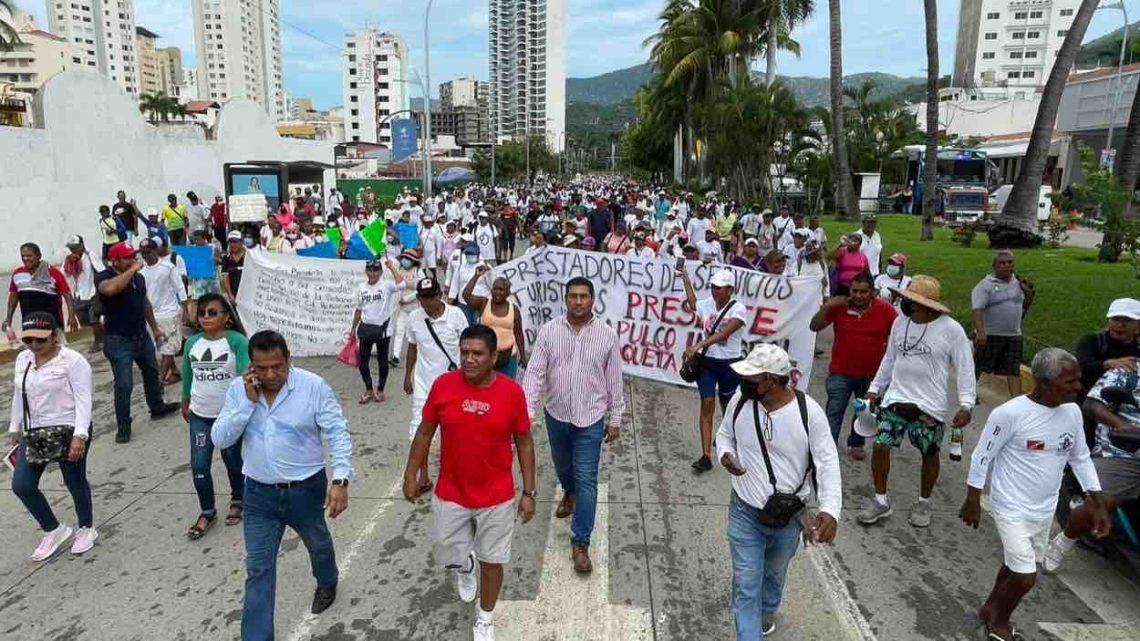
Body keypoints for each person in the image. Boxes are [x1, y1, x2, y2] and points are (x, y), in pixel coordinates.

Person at [211, 330, 353, 638]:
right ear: (251, 366)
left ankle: (327, 581)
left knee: (318, 543)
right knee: (258, 570)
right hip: (258, 494)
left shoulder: (313, 387)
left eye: (277, 367)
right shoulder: (239, 390)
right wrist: (247, 404)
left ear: (289, 360)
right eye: (262, 368)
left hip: (305, 490)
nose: (270, 375)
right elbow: (220, 438)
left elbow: (337, 432)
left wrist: (340, 480)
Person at [960, 348, 1108, 641]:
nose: (1078, 387)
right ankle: (1000, 621)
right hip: (1010, 506)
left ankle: (991, 607)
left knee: (1014, 565)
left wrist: (1098, 504)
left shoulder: (1072, 412)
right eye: (1070, 382)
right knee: (1025, 576)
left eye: (1079, 380)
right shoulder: (1009, 414)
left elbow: (1080, 458)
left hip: (1044, 509)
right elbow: (981, 457)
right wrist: (973, 499)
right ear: (1043, 382)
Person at [403, 325, 537, 641]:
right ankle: (465, 566)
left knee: (493, 561)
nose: (469, 359)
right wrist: (410, 474)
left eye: (477, 353)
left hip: (497, 497)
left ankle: (485, 618)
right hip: (451, 493)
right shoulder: (443, 385)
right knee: (447, 553)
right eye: (464, 352)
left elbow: (525, 442)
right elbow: (425, 432)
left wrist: (529, 492)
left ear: (494, 356)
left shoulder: (512, 392)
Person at [715, 344, 840, 638]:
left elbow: (827, 462)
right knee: (746, 583)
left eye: (751, 377)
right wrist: (725, 455)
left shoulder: (809, 413)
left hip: (789, 518)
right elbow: (724, 434)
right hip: (744, 511)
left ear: (769, 380)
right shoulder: (740, 401)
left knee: (773, 575)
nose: (743, 382)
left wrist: (830, 509)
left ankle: (767, 609)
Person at [523, 276, 624, 573]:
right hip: (556, 415)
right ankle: (568, 492)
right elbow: (535, 372)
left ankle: (581, 542)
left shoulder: (607, 335)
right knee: (563, 467)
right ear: (565, 299)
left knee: (587, 480)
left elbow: (614, 378)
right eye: (573, 296)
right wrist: (526, 410)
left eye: (584, 296)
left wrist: (616, 417)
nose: (578, 301)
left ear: (593, 300)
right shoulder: (549, 331)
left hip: (590, 419)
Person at [857, 276, 975, 528]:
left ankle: (924, 502)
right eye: (905, 299)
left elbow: (965, 367)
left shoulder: (952, 330)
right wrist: (874, 389)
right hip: (896, 398)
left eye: (911, 301)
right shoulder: (900, 323)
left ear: (928, 306)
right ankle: (881, 501)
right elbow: (889, 358)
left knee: (929, 452)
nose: (905, 304)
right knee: (880, 445)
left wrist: (966, 404)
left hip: (930, 405)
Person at [8, 312, 96, 561]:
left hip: (69, 429)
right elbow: (19, 395)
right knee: (22, 485)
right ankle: (54, 529)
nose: (34, 345)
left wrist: (80, 436)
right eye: (28, 340)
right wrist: (14, 427)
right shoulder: (23, 359)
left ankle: (86, 527)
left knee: (74, 481)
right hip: (35, 431)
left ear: (55, 336)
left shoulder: (73, 361)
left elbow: (84, 400)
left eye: (40, 339)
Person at [96, 241, 180, 443]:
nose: (134, 259)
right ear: (115, 261)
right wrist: (132, 269)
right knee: (124, 384)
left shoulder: (138, 278)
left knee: (151, 372)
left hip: (141, 336)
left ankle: (156, 406)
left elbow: (145, 303)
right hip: (118, 339)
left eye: (134, 256)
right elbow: (111, 289)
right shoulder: (104, 276)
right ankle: (124, 425)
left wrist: (155, 328)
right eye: (128, 257)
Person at [181, 294, 248, 539]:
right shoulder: (191, 343)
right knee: (199, 466)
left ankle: (238, 499)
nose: (206, 317)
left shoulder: (237, 341)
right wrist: (185, 400)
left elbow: (245, 375)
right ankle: (207, 512)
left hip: (228, 417)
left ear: (227, 317)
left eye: (212, 312)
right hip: (200, 415)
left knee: (233, 461)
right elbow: (188, 375)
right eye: (202, 313)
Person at [809, 272, 897, 459]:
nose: (858, 296)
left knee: (863, 411)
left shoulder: (886, 311)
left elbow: (897, 337)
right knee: (834, 410)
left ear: (873, 292)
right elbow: (814, 326)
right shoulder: (839, 308)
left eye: (863, 292)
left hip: (872, 374)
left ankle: (856, 443)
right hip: (840, 372)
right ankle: (828, 448)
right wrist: (827, 306)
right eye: (854, 291)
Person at [403, 277, 470, 495]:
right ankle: (423, 476)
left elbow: (468, 347)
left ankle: (457, 475)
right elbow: (412, 347)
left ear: (439, 295)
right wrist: (407, 375)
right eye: (422, 298)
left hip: (454, 386)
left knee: (456, 434)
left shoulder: (456, 315)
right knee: (419, 434)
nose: (427, 303)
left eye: (430, 297)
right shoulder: (414, 318)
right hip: (424, 387)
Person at [680, 268, 748, 473]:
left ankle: (727, 439)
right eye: (713, 287)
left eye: (719, 287)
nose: (714, 291)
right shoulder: (707, 304)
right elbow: (693, 303)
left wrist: (698, 345)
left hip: (730, 365)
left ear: (730, 290)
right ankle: (706, 456)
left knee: (729, 407)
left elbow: (725, 334)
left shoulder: (738, 309)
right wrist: (685, 278)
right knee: (707, 404)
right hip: (708, 364)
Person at [972, 250, 1035, 398]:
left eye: (1010, 262)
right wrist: (980, 333)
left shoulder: (1019, 283)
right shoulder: (985, 285)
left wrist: (1027, 291)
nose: (1007, 265)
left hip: (1014, 335)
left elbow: (1026, 304)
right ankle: (968, 394)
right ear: (994, 265)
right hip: (990, 334)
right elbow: (977, 309)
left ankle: (1017, 402)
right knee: (979, 367)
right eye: (1002, 263)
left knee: (1013, 370)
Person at [349, 258, 404, 404]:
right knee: (363, 361)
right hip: (366, 329)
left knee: (382, 361)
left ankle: (380, 390)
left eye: (376, 270)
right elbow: (359, 310)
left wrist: (391, 267)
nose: (372, 273)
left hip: (383, 330)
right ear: (366, 271)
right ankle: (368, 389)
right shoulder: (361, 287)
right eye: (370, 270)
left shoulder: (386, 285)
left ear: (380, 272)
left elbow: (402, 284)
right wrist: (353, 328)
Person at [462, 265, 528, 379]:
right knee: (485, 385)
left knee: (506, 387)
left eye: (501, 290)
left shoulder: (514, 309)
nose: (497, 292)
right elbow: (466, 295)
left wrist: (523, 356)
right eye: (495, 289)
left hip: (508, 358)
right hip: (485, 357)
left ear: (508, 292)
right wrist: (476, 276)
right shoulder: (483, 303)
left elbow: (518, 333)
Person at [139, 238, 188, 386]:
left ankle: (159, 381)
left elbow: (180, 288)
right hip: (152, 316)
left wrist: (185, 310)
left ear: (155, 251)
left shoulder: (168, 267)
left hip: (170, 313)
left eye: (148, 252)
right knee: (163, 347)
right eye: (142, 253)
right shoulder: (141, 272)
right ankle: (175, 372)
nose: (145, 256)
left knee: (168, 349)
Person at [6, 242, 78, 333]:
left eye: (29, 256)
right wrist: (8, 319)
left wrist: (72, 315)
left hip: (52, 324)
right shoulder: (17, 274)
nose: (25, 259)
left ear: (39, 256)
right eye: (23, 256)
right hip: (29, 324)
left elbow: (67, 294)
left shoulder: (53, 273)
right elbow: (13, 297)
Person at [61, 235, 105, 353]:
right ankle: (103, 335)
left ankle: (97, 343)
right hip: (79, 294)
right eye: (71, 248)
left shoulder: (90, 255)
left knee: (94, 319)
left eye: (75, 247)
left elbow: (101, 271)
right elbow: (64, 274)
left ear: (81, 245)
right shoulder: (69, 259)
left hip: (92, 292)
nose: (73, 250)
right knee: (84, 320)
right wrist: (70, 262)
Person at [390, 250, 426, 367]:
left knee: (417, 333)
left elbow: (421, 290)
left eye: (408, 259)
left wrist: (407, 299)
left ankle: (421, 355)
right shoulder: (400, 270)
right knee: (399, 330)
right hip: (402, 308)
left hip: (415, 308)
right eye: (404, 258)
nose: (405, 261)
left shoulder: (419, 272)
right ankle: (395, 356)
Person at [221, 231, 247, 304]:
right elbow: (225, 276)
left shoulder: (250, 256)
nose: (232, 245)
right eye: (230, 242)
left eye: (235, 242)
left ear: (241, 242)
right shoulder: (226, 258)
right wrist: (230, 295)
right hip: (234, 295)